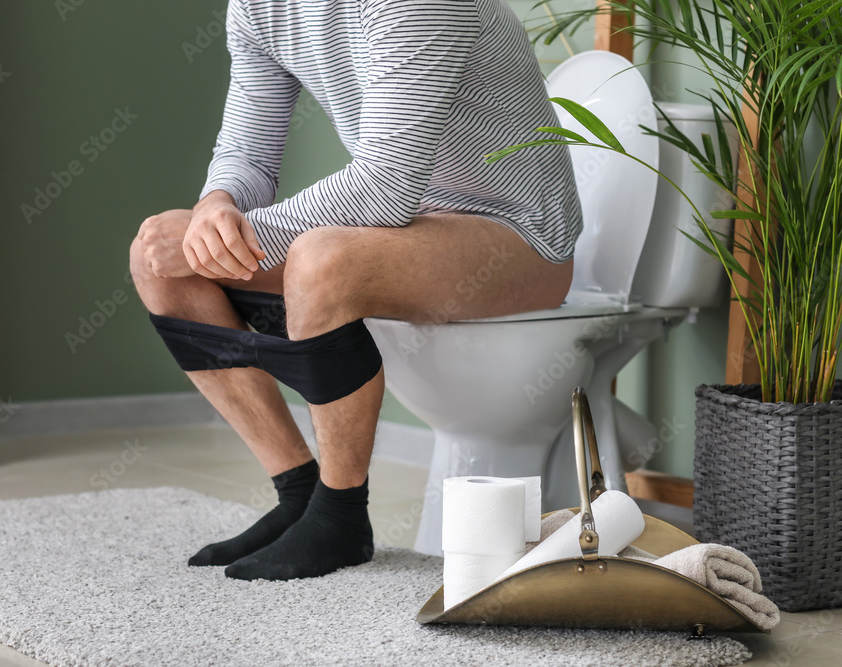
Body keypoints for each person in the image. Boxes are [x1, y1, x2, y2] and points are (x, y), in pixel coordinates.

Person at [129, 0, 582, 582]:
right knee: (158, 257)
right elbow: (247, 153)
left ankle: (342, 516)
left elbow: (383, 190)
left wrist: (220, 239)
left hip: (517, 235)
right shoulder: (256, 5)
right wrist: (215, 208)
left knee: (324, 260)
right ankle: (299, 494)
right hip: (404, 231)